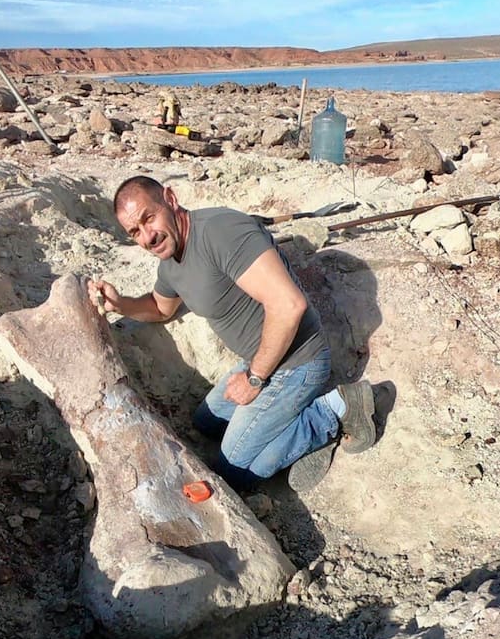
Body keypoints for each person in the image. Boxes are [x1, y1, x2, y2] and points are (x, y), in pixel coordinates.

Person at [87, 176, 377, 491]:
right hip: (260, 359)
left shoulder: (221, 231)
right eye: (135, 232)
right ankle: (288, 434)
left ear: (170, 199)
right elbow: (161, 308)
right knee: (207, 424)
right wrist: (121, 304)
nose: (147, 236)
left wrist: (254, 378)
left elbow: (289, 305)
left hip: (297, 363)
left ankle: (336, 409)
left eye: (148, 218)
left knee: (231, 473)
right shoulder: (171, 263)